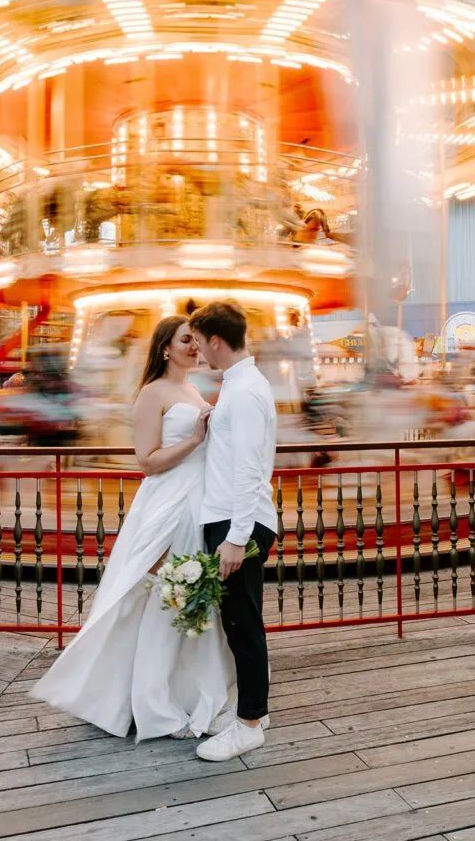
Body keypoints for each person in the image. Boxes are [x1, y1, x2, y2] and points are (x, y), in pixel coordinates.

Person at [29, 316, 234, 740]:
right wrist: (195, 440)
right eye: (185, 340)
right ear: (164, 347)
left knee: (188, 596)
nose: (194, 347)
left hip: (196, 499)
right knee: (161, 595)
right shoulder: (152, 393)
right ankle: (151, 699)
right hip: (169, 501)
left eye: (196, 340)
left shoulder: (191, 389)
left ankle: (185, 690)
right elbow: (147, 461)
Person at [188, 301, 277, 761]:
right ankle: (252, 712)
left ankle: (248, 726)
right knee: (240, 622)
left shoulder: (243, 393)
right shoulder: (243, 386)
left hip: (237, 519)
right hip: (235, 516)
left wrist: (237, 537)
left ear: (216, 341)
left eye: (200, 342)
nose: (199, 351)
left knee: (242, 625)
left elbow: (247, 471)